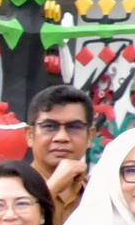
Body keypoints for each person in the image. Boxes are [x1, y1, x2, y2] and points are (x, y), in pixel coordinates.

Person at [26, 86, 101, 217]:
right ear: (30, 135)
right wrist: (53, 187)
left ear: (90, 136)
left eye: (74, 127)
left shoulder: (100, 194)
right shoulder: (7, 187)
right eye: (49, 126)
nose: (62, 137)